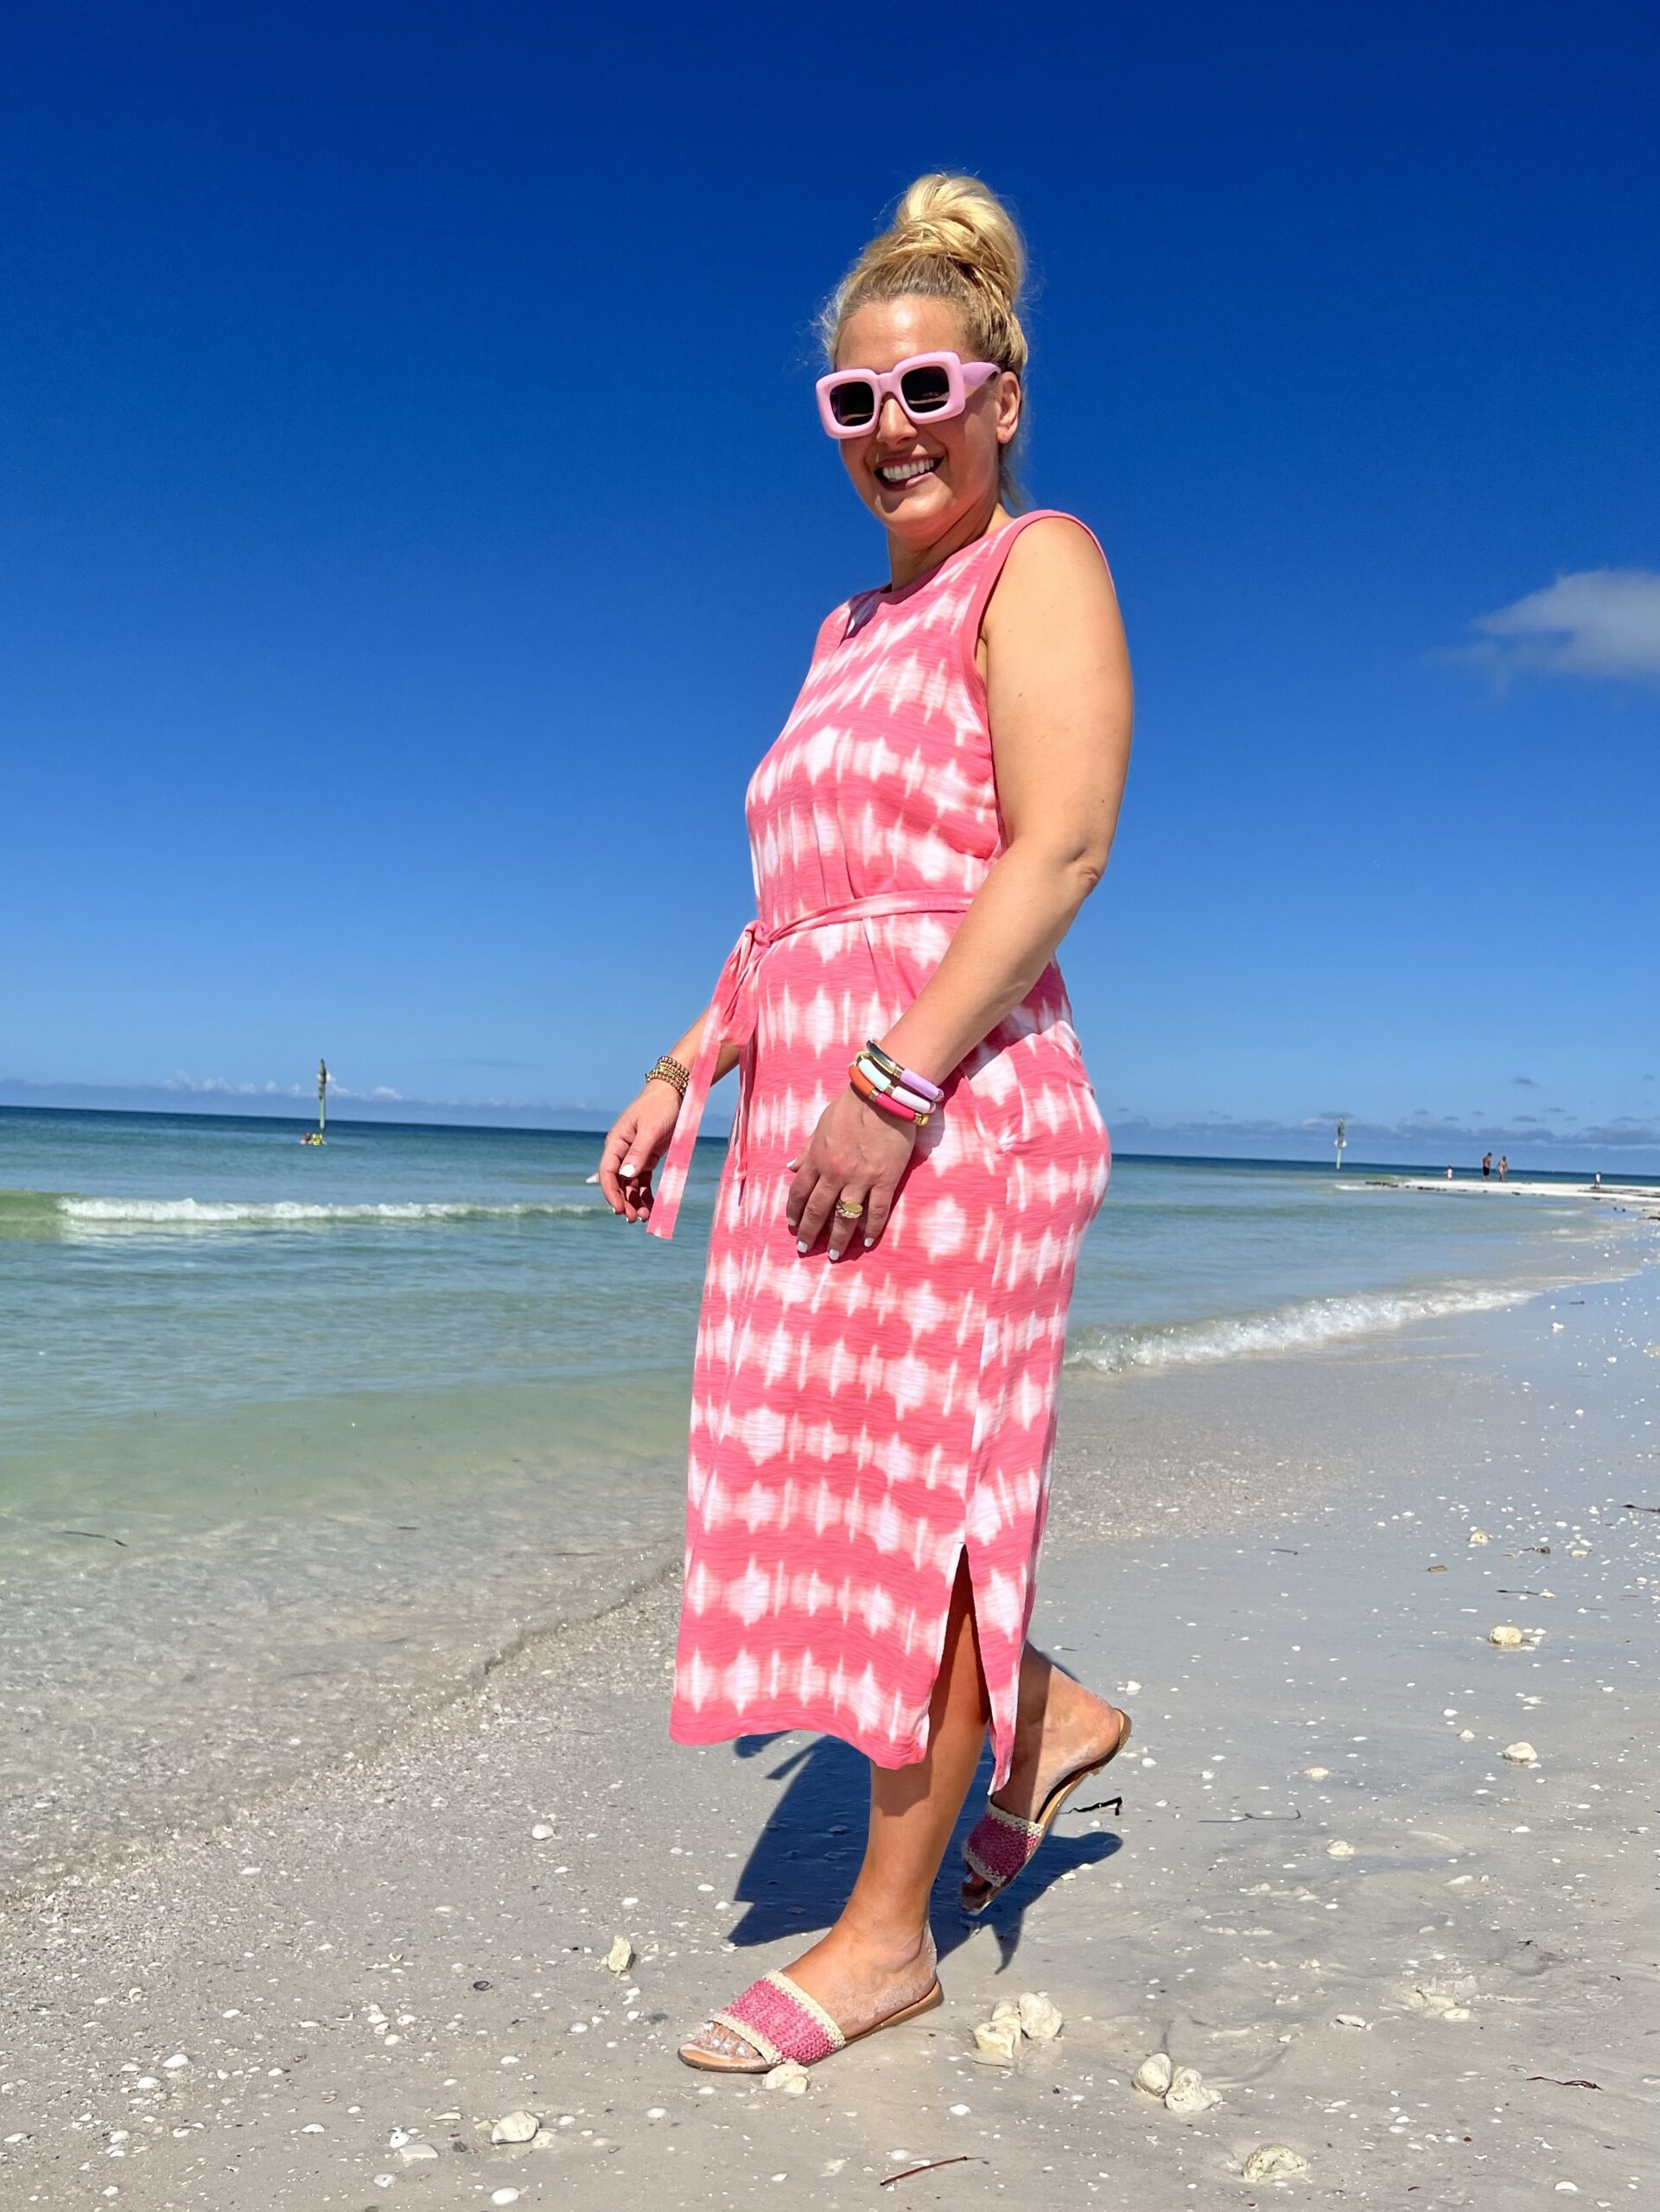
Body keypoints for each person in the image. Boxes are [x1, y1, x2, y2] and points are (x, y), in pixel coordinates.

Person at [598, 174, 1135, 2074]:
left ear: (999, 390)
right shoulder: (840, 633)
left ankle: (891, 1934)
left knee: (921, 1501)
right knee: (841, 1506)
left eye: (924, 385)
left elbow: (1056, 846)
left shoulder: (1036, 562)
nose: (890, 425)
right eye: (852, 400)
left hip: (950, 1102)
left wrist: (893, 1083)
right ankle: (1040, 1707)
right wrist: (689, 1063)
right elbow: (792, 907)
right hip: (820, 1108)